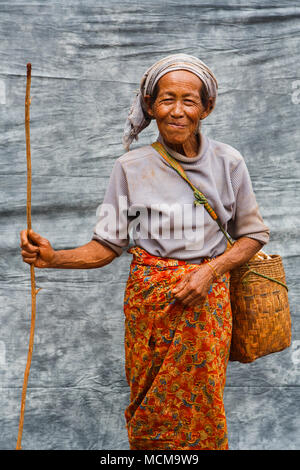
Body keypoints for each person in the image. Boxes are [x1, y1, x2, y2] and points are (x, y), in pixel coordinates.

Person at [20, 54, 270, 450]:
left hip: (205, 305)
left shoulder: (229, 162)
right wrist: (53, 257)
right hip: (149, 306)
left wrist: (210, 272)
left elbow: (253, 236)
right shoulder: (130, 167)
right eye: (167, 99)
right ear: (150, 105)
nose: (177, 111)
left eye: (189, 100)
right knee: (149, 401)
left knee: (201, 401)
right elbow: (107, 245)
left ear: (207, 106)